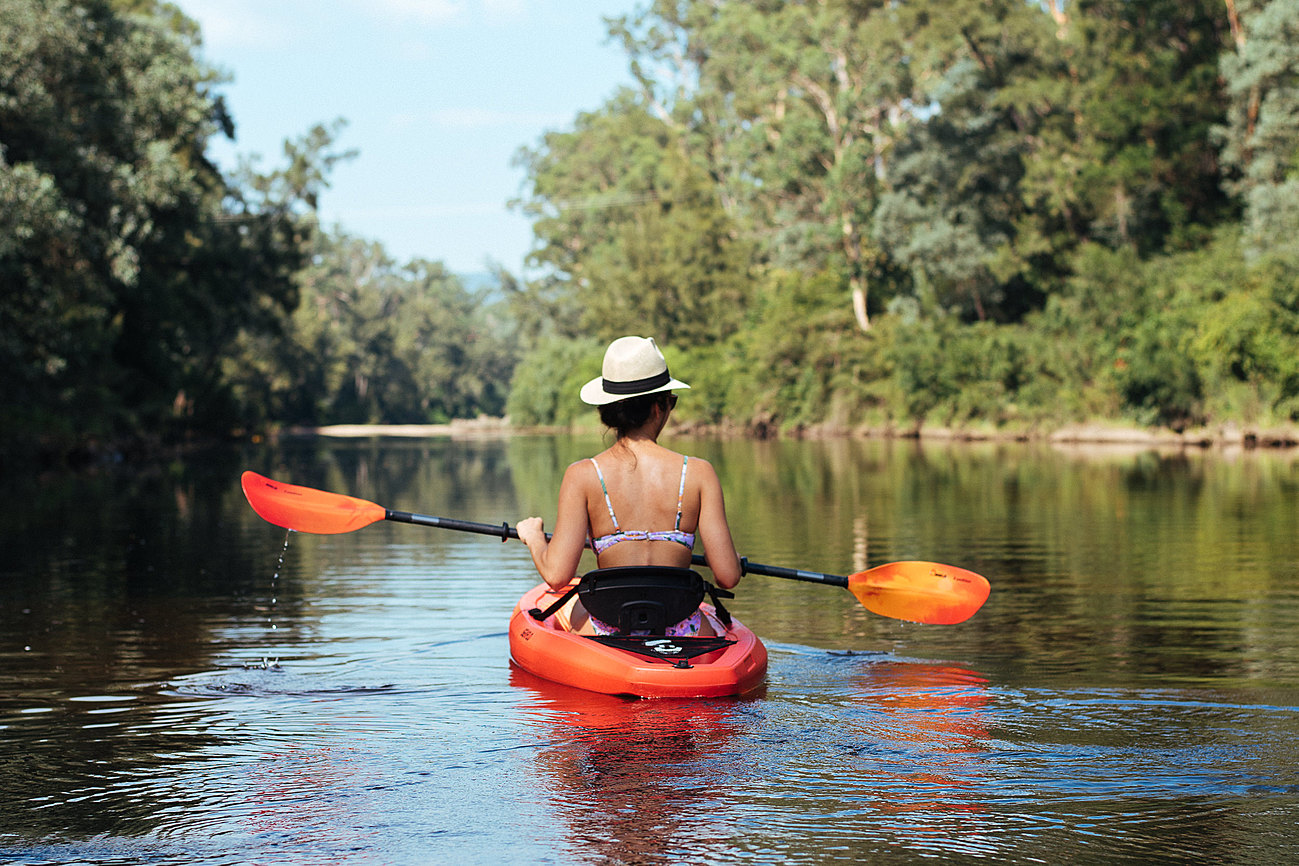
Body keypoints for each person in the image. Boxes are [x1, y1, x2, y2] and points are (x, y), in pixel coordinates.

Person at [516, 336, 743, 637]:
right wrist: (735, 563)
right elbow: (727, 576)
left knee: (569, 608)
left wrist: (534, 538)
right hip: (681, 627)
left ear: (608, 410)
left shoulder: (582, 475)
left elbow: (557, 576)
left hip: (605, 627)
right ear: (659, 406)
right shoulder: (700, 474)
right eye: (671, 401)